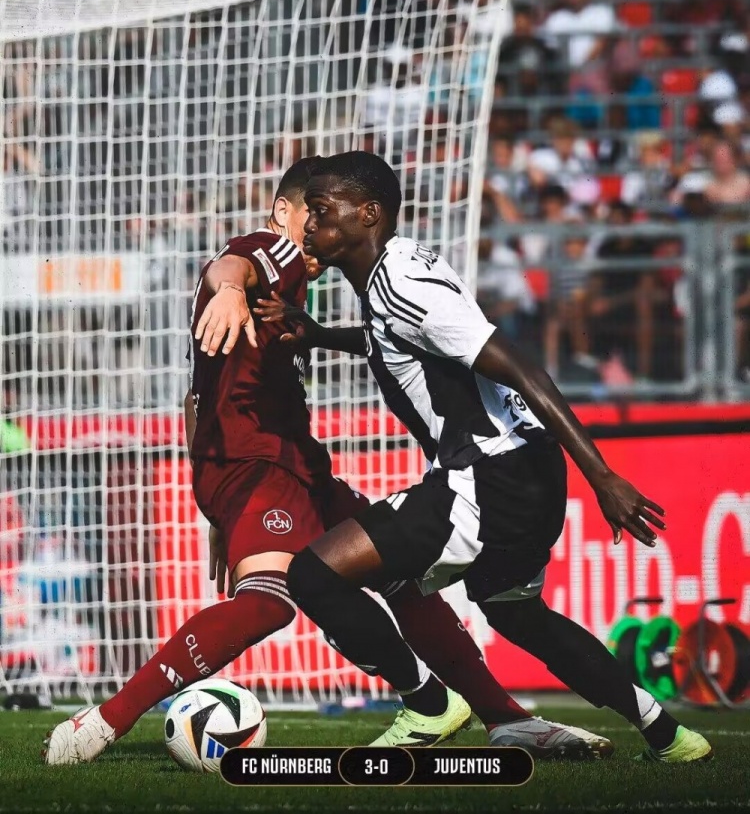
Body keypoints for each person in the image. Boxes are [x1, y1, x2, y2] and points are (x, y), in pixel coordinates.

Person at [43, 158, 610, 765]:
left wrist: (216, 506)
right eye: (308, 214)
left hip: (291, 466)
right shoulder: (275, 250)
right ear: (284, 211)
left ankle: (504, 719)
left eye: (322, 215)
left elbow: (194, 395)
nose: (314, 231)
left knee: (399, 572)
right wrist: (229, 289)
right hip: (261, 466)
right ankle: (105, 720)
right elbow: (229, 266)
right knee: (269, 601)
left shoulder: (295, 291)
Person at [257, 151, 711, 761]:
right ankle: (669, 735)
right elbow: (392, 339)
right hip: (522, 470)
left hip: (489, 477)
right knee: (516, 616)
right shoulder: (396, 270)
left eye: (320, 210)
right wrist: (319, 335)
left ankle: (429, 704)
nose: (309, 224)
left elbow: (521, 367)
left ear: (367, 214)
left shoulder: (401, 283)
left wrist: (603, 476)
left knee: (313, 575)